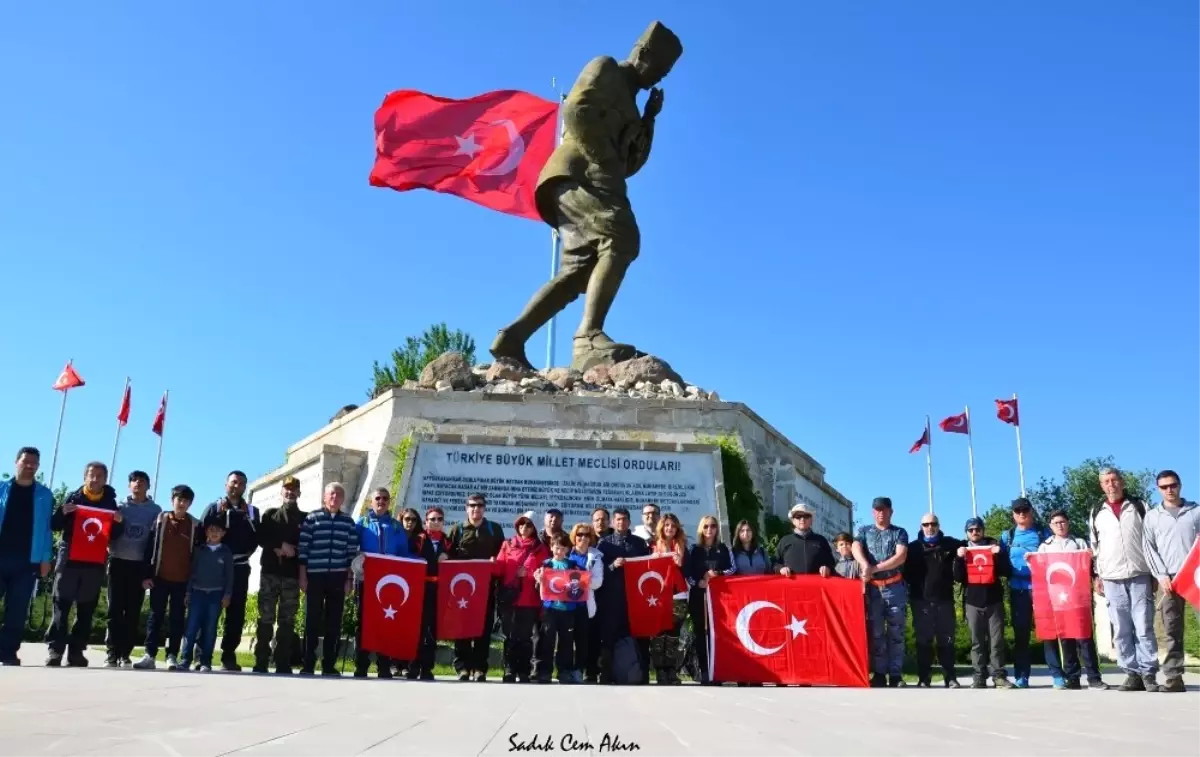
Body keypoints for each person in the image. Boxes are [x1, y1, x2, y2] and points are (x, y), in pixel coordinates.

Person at [489, 20, 683, 373]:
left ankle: (513, 337)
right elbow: (576, 109)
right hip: (576, 175)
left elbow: (631, 163)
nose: (659, 77)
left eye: (666, 74)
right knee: (621, 237)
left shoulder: (635, 104)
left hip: (592, 180)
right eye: (659, 68)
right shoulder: (606, 68)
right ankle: (588, 338)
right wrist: (603, 160)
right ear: (643, 53)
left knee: (579, 271)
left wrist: (649, 120)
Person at [1091, 467, 1158, 692]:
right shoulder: (1096, 512)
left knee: (1143, 625)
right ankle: (1131, 673)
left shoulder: (1140, 506)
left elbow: (1152, 540)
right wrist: (1097, 576)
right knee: (1120, 628)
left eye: (1114, 480)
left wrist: (1155, 572)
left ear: (1122, 482)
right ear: (1102, 486)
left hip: (1140, 574)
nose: (1111, 484)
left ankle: (1148, 673)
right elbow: (1095, 547)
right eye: (1106, 481)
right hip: (1111, 577)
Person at [47, 461, 120, 668]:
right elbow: (54, 525)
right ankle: (55, 649)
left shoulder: (110, 502)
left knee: (86, 609)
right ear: (84, 477)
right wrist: (62, 513)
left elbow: (113, 536)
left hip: (93, 563)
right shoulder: (73, 498)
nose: (95, 479)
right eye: (91, 475)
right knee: (61, 605)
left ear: (105, 480)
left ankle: (77, 652)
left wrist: (119, 523)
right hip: (69, 560)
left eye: (99, 476)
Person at [1142, 469, 1199, 694]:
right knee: (1171, 628)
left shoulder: (1195, 511)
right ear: (1158, 489)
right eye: (1164, 487)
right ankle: (1174, 678)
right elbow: (1149, 548)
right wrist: (1161, 575)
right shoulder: (1153, 516)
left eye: (1173, 485)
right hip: (1170, 580)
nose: (1169, 490)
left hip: (1196, 576)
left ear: (1180, 485)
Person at [1038, 510, 1109, 690]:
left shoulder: (1079, 543)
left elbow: (1091, 567)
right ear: (1050, 526)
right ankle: (1073, 677)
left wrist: (1090, 559)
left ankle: (1094, 677)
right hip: (1057, 601)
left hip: (1078, 599)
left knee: (1084, 638)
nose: (1060, 525)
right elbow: (1040, 570)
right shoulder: (1045, 547)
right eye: (1055, 523)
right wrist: (1032, 560)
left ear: (1068, 523)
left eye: (1062, 521)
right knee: (1066, 640)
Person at [196, 471, 260, 671]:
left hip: (240, 567)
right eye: (233, 482)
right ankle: (201, 656)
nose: (236, 486)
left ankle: (228, 656)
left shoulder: (251, 511)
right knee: (207, 611)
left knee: (236, 613)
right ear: (226, 484)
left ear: (245, 487)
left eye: (241, 483)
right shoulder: (213, 507)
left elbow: (257, 538)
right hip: (214, 567)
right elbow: (200, 534)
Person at [297, 482, 359, 677]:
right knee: (312, 620)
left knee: (334, 622)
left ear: (343, 499)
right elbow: (303, 549)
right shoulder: (312, 518)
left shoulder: (348, 522)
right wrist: (302, 576)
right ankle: (308, 663)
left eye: (339, 495)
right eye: (331, 494)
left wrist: (349, 578)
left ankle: (329, 665)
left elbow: (351, 552)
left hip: (338, 577)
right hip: (315, 576)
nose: (334, 498)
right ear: (324, 497)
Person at [0, 446, 54, 666]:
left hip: (27, 560)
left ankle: (8, 651)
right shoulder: (2, 488)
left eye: (34, 463)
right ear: (16, 462)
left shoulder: (44, 494)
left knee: (17, 608)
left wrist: (45, 559)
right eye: (26, 461)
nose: (30, 466)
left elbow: (47, 530)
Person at [134, 485, 198, 671]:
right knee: (155, 616)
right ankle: (150, 655)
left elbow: (197, 555)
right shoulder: (161, 520)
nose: (182, 503)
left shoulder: (195, 525)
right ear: (172, 500)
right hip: (159, 578)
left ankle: (172, 656)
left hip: (182, 581)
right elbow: (149, 548)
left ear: (190, 504)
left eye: (186, 500)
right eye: (179, 499)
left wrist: (192, 583)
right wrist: (146, 575)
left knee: (177, 619)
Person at [103, 470, 162, 667]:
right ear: (129, 485)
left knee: (133, 612)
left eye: (142, 481)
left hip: (139, 566)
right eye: (134, 481)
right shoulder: (119, 507)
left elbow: (155, 541)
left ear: (148, 485)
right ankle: (111, 652)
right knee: (114, 610)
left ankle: (125, 653)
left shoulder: (156, 510)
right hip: (118, 561)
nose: (138, 484)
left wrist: (150, 570)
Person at [445, 493, 505, 681]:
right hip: (462, 589)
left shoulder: (494, 529)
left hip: (485, 588)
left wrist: (496, 562)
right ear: (466, 508)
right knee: (462, 627)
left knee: (483, 628)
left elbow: (503, 555)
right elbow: (448, 556)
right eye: (472, 505)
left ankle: (480, 668)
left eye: (479, 505)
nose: (475, 509)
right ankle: (462, 667)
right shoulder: (457, 530)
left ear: (484, 508)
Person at [852, 497, 910, 687]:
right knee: (876, 633)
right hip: (874, 590)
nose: (880, 513)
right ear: (872, 512)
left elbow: (900, 556)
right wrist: (864, 564)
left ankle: (895, 674)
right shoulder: (864, 531)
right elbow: (855, 546)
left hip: (894, 588)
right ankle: (878, 673)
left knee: (896, 633)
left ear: (890, 512)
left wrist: (873, 568)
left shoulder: (899, 532)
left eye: (884, 510)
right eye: (877, 510)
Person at [252, 476, 306, 675]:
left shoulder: (304, 518)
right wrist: (278, 545)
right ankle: (261, 661)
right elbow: (261, 536)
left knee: (287, 620)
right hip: (270, 574)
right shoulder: (270, 514)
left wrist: (294, 550)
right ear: (281, 492)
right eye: (287, 489)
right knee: (265, 618)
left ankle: (282, 662)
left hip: (291, 576)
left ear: (299, 493)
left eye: (294, 490)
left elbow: (308, 543)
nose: (290, 493)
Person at [953, 517, 1014, 689]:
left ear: (983, 530)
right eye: (971, 529)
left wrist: (999, 555)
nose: (975, 532)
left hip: (994, 601)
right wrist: (958, 559)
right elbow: (957, 578)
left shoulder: (993, 546)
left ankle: (999, 676)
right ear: (966, 532)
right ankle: (979, 676)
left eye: (978, 528)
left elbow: (1006, 572)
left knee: (997, 642)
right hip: (972, 602)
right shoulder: (963, 550)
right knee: (976, 642)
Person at [354, 487, 408, 679]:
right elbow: (353, 549)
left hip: (388, 583)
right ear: (371, 501)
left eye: (385, 498)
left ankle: (384, 666)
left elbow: (404, 553)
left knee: (386, 622)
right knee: (364, 623)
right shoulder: (362, 523)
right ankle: (361, 665)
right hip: (366, 581)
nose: (381, 501)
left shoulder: (395, 526)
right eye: (378, 498)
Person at [998, 497, 1050, 688]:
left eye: (1025, 510)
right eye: (1018, 511)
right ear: (1013, 514)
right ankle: (1022, 675)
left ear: (1031, 512)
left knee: (1048, 632)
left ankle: (1058, 673)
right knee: (1021, 635)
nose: (1022, 514)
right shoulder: (1007, 536)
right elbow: (999, 561)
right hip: (1017, 590)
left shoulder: (1043, 533)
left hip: (1041, 589)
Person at [904, 512, 961, 688]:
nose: (930, 527)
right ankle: (924, 678)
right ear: (921, 527)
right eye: (926, 524)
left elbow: (974, 542)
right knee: (923, 641)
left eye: (933, 524)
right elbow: (905, 574)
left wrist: (962, 551)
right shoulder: (912, 548)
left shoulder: (950, 544)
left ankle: (950, 677)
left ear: (939, 525)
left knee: (947, 640)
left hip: (944, 600)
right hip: (920, 601)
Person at [597, 507, 650, 684]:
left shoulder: (639, 544)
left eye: (624, 519)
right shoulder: (604, 544)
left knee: (639, 637)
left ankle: (640, 674)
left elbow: (649, 567)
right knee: (608, 637)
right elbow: (597, 572)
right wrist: (612, 565)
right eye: (617, 519)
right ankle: (605, 675)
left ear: (629, 522)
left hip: (635, 599)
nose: (621, 522)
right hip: (611, 600)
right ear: (612, 522)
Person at [178, 515, 234, 673]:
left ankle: (205, 661)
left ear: (223, 533)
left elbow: (230, 576)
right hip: (197, 593)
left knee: (210, 628)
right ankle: (185, 659)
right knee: (191, 628)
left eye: (218, 530)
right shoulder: (199, 550)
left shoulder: (226, 552)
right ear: (206, 532)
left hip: (216, 595)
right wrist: (188, 592)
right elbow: (192, 573)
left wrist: (227, 595)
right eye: (211, 530)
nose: (214, 533)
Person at [685, 515, 734, 685]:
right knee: (701, 634)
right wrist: (697, 582)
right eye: (706, 526)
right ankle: (704, 671)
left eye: (713, 526)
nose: (709, 529)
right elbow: (687, 572)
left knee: (718, 634)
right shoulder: (694, 549)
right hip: (700, 597)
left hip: (720, 598)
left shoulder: (724, 548)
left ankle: (717, 670)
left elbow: (732, 568)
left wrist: (717, 574)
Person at [535, 533, 587, 683]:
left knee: (566, 642)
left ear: (567, 550)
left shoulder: (572, 565)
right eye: (556, 548)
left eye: (563, 548)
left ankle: (564, 671)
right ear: (551, 548)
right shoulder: (546, 564)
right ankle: (545, 671)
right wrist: (538, 578)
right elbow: (539, 585)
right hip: (550, 609)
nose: (559, 551)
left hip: (568, 610)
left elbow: (582, 582)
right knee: (547, 641)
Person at [408, 507, 450, 681]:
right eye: (432, 519)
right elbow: (408, 558)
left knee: (432, 631)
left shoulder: (447, 543)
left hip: (438, 591)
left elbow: (456, 562)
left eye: (439, 519)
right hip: (419, 589)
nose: (436, 522)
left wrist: (448, 557)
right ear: (426, 522)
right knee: (416, 629)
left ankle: (427, 668)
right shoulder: (418, 539)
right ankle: (412, 666)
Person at [648, 513, 688, 684]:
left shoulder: (682, 545)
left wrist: (681, 560)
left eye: (673, 525)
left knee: (674, 634)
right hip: (658, 594)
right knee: (658, 633)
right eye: (667, 525)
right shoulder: (653, 546)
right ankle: (660, 671)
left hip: (678, 593)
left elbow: (688, 569)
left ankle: (671, 670)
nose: (670, 528)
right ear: (662, 527)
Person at [565, 522, 604, 684]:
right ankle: (564, 670)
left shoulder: (596, 557)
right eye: (579, 534)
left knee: (582, 642)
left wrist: (579, 580)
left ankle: (578, 670)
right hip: (566, 605)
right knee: (566, 641)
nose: (583, 538)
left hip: (584, 605)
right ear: (574, 537)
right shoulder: (566, 555)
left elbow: (597, 582)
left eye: (587, 535)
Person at [775, 503, 835, 577]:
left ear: (811, 520)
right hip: (791, 587)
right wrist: (781, 569)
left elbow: (831, 563)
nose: (802, 519)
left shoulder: (821, 540)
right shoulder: (784, 541)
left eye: (806, 516)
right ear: (793, 521)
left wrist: (827, 568)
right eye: (798, 516)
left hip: (816, 587)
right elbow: (775, 563)